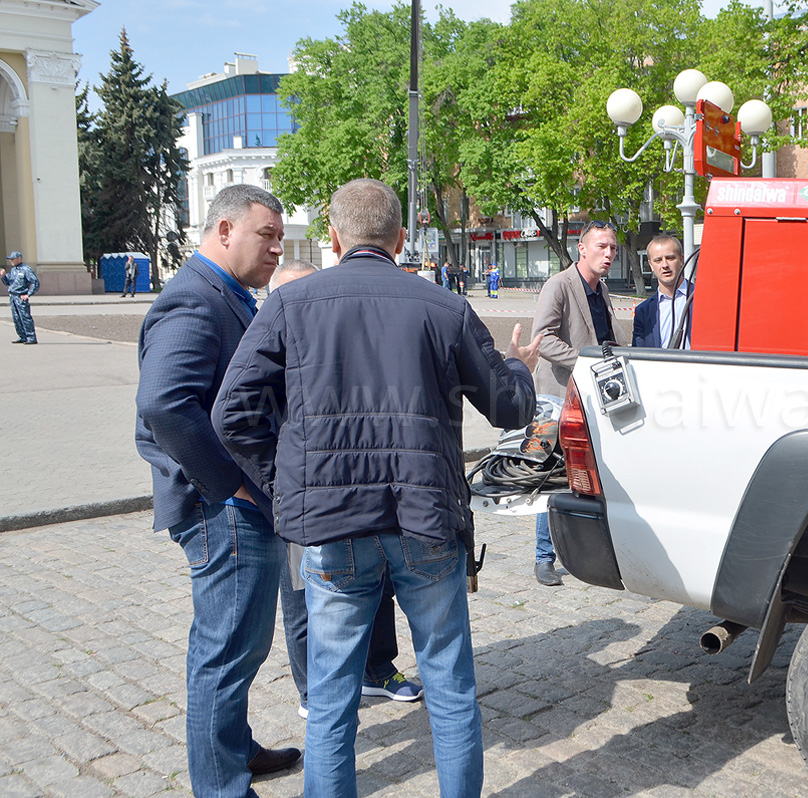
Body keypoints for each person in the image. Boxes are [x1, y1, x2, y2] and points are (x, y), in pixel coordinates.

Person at [212, 178, 541, 798]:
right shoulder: (440, 306)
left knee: (332, 696)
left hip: (333, 528)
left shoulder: (289, 305)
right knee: (448, 685)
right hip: (424, 522)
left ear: (334, 238)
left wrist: (284, 490)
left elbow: (232, 413)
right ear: (399, 237)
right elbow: (508, 406)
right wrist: (518, 365)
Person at [135, 184, 300, 797]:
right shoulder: (195, 301)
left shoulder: (226, 294)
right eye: (267, 235)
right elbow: (164, 404)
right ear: (224, 229)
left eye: (281, 237)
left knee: (243, 646)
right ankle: (222, 787)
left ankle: (234, 748)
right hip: (219, 508)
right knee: (225, 654)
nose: (277, 249)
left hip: (231, 503)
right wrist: (232, 486)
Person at [266, 259, 423, 719]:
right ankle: (312, 692)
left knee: (377, 584)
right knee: (300, 599)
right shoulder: (265, 342)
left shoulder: (327, 335)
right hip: (300, 499)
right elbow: (239, 419)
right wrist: (275, 483)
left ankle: (377, 669)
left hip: (349, 493)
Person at [529, 219, 626, 586]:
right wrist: (587, 359)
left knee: (587, 475)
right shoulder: (560, 285)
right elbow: (543, 340)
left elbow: (606, 340)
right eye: (602, 246)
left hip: (591, 396)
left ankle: (584, 553)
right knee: (553, 476)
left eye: (613, 248)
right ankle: (543, 558)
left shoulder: (600, 291)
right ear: (581, 248)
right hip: (558, 396)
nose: (609, 254)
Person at [632, 235, 692, 349]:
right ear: (651, 265)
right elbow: (638, 355)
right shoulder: (643, 312)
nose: (665, 265)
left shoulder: (703, 299)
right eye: (658, 260)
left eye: (670, 258)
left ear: (681, 259)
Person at [2, 251, 39, 345]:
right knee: (16, 318)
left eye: (13, 259)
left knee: (25, 317)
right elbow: (8, 283)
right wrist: (3, 276)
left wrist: (28, 294)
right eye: (10, 259)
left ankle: (31, 337)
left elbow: (35, 283)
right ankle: (22, 336)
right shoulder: (13, 270)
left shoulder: (26, 269)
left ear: (19, 259)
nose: (11, 261)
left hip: (21, 296)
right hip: (13, 296)